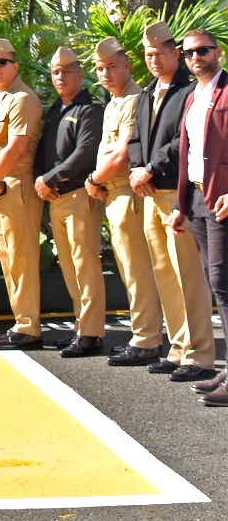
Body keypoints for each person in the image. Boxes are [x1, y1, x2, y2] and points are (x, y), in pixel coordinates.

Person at [128, 19, 216, 381]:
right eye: (148, 55)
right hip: (150, 192)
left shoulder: (187, 91)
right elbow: (135, 137)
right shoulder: (148, 93)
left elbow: (185, 142)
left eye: (160, 54)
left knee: (188, 277)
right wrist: (137, 170)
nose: (153, 60)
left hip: (175, 193)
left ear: (175, 55)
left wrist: (149, 168)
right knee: (165, 275)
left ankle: (200, 353)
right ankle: (179, 348)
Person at [87, 37, 164, 370]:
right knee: (128, 269)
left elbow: (121, 156)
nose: (105, 74)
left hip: (126, 194)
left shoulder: (134, 100)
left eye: (111, 67)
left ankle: (146, 339)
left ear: (127, 65)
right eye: (101, 69)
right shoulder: (113, 102)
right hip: (113, 194)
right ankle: (143, 334)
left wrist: (93, 180)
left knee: (137, 270)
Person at [0, 37, 44, 350]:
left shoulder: (23, 99)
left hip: (15, 185)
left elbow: (15, 148)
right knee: (7, 257)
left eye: (2, 63)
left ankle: (29, 326)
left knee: (22, 257)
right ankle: (21, 322)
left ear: (15, 65)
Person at [34, 45, 106, 357]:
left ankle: (91, 333)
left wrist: (49, 179)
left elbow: (86, 152)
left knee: (84, 264)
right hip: (56, 197)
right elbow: (42, 153)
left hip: (79, 195)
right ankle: (81, 326)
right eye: (55, 72)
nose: (60, 77)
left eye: (66, 71)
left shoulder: (89, 108)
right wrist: (41, 180)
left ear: (79, 73)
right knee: (69, 265)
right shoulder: (55, 110)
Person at [172, 28, 228, 406]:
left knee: (225, 282)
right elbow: (189, 154)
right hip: (196, 198)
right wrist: (181, 204)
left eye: (203, 50)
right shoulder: (193, 97)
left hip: (222, 200)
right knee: (216, 282)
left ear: (218, 52)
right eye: (189, 52)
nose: (196, 57)